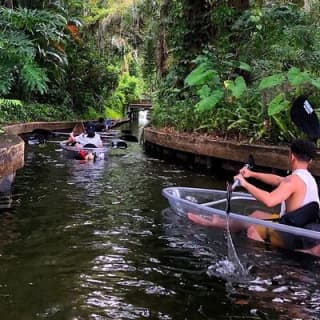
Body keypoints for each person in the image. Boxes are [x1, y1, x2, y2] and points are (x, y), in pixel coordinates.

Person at [188, 139, 320, 255]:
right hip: (299, 226)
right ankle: (218, 223)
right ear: (310, 160)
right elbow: (279, 180)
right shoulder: (307, 178)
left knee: (253, 232)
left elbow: (269, 200)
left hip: (292, 233)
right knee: (256, 215)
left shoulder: (293, 180)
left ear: (291, 156)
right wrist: (251, 174)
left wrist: (245, 184)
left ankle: (263, 268)